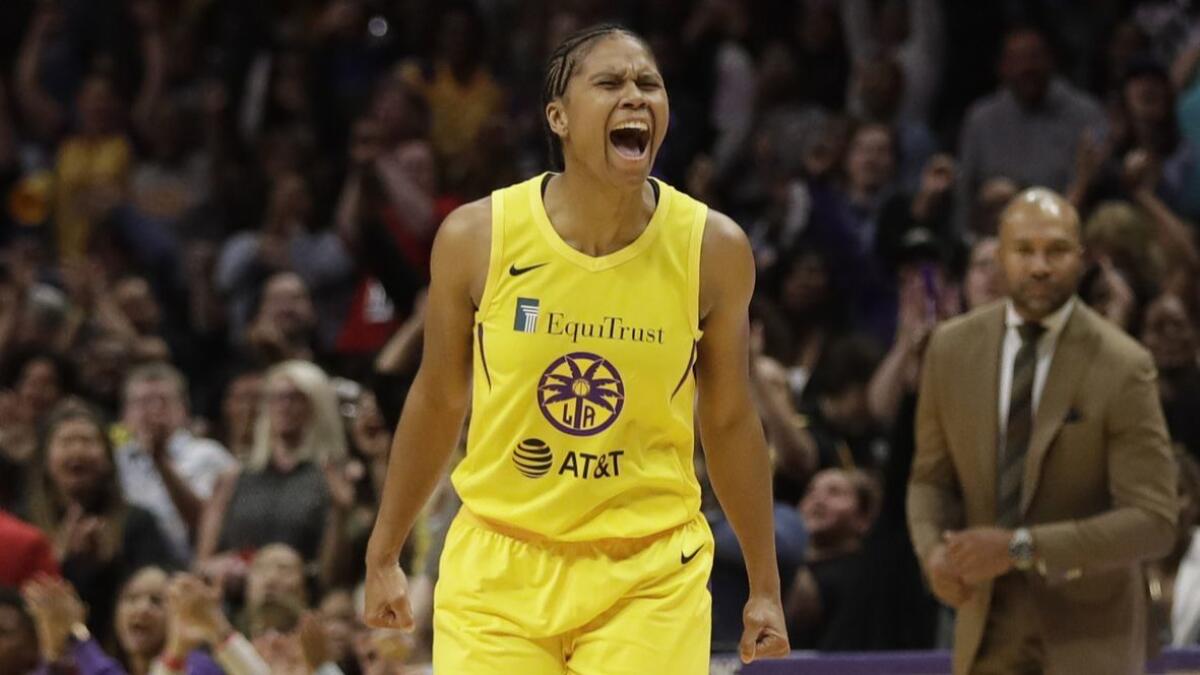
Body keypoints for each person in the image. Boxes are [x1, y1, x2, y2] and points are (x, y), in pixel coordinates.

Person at [364, 23, 788, 672]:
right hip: (499, 565)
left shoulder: (714, 249)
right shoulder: (477, 237)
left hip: (648, 568)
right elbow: (439, 398)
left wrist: (764, 585)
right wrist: (385, 549)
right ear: (558, 117)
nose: (636, 96)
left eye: (650, 83)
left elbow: (729, 419)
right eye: (611, 83)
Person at [907, 187, 1178, 674]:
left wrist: (1020, 548)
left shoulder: (1124, 365)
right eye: (1024, 250)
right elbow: (929, 480)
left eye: (1055, 250)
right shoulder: (949, 350)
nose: (1039, 267)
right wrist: (932, 553)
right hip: (985, 626)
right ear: (999, 257)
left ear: (1082, 256)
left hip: (1091, 634)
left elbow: (1154, 520)